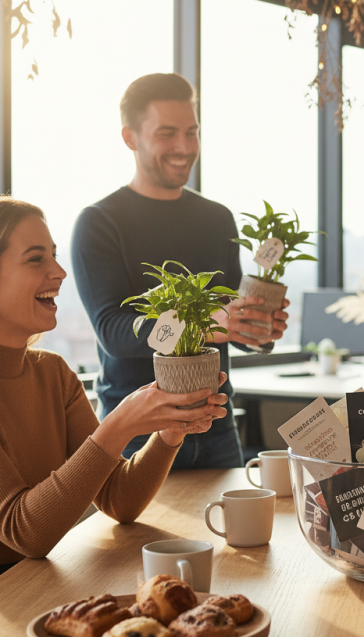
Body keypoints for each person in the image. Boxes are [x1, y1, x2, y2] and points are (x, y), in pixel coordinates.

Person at [71, 73, 288, 469]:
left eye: (192, 132)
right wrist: (211, 325)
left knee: (232, 535)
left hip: (217, 426)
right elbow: (115, 331)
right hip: (137, 434)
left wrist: (258, 329)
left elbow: (230, 321)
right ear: (130, 137)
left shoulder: (217, 218)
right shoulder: (100, 223)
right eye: (167, 133)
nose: (184, 147)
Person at [0, 198, 228, 574]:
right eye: (36, 259)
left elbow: (118, 500)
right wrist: (119, 424)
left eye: (55, 256)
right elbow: (26, 533)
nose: (59, 272)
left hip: (39, 586)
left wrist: (170, 433)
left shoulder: (53, 373)